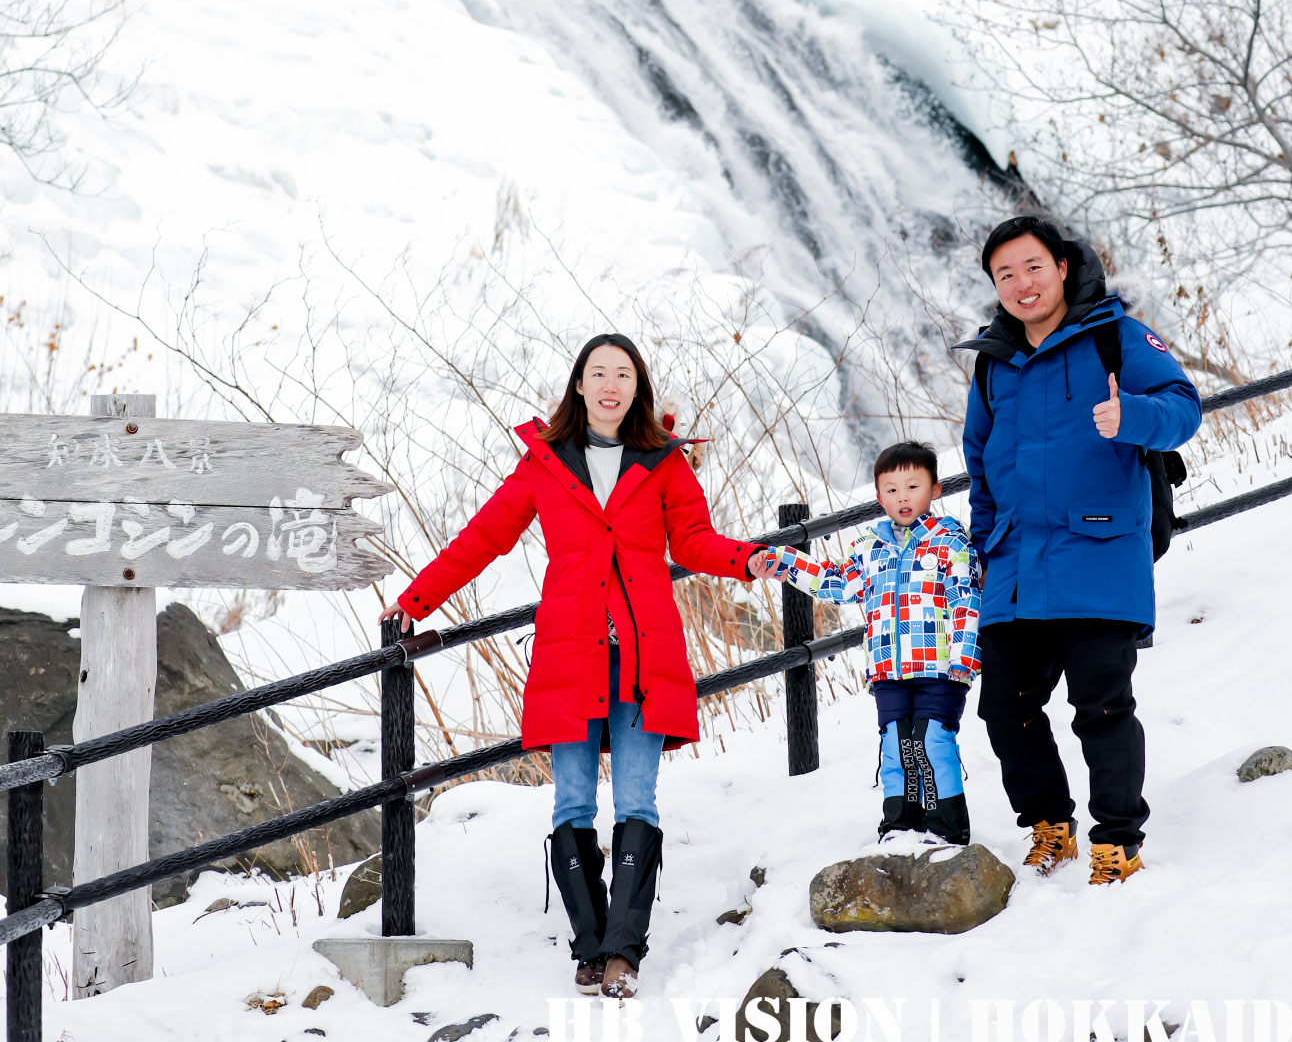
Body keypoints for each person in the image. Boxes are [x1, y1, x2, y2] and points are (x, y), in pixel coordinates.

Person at [379, 334, 766, 1000]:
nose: (611, 384)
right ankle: (588, 949)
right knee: (572, 803)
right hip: (570, 653)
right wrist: (416, 600)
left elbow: (695, 541)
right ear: (579, 386)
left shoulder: (663, 462)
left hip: (645, 654)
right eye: (598, 373)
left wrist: (747, 559)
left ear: (636, 388)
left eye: (623, 373)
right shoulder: (545, 464)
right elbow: (483, 538)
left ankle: (624, 952)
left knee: (638, 800)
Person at [959, 214, 1202, 886]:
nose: (1020, 283)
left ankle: (1116, 840)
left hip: (1098, 554)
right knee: (1005, 708)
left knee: (1100, 706)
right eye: (1004, 274)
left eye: (1031, 267)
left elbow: (1183, 407)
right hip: (1013, 568)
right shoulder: (992, 362)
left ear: (1062, 267)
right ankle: (1049, 827)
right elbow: (977, 456)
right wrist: (986, 539)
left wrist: (1133, 419)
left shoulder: (1116, 338)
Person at [751, 440, 980, 845]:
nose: (903, 497)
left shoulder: (950, 541)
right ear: (879, 497)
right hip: (889, 668)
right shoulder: (871, 547)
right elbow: (833, 581)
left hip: (941, 667)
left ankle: (946, 826)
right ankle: (900, 825)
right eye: (891, 490)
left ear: (935, 489)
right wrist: (785, 561)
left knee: (931, 738)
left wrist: (966, 656)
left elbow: (966, 599)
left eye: (913, 487)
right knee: (896, 742)